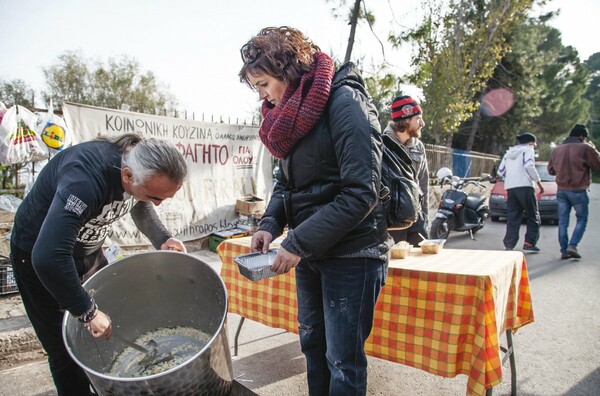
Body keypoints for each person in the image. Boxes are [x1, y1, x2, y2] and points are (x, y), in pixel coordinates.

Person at [239, 26, 390, 395]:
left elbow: (361, 192)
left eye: (263, 85)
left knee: (343, 359)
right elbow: (288, 184)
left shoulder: (345, 102)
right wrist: (270, 225)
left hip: (353, 252)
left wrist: (299, 241)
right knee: (312, 345)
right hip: (311, 252)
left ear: (287, 72)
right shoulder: (293, 115)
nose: (262, 97)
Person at [9, 133, 188, 395]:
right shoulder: (84, 180)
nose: (158, 203)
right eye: (157, 197)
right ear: (127, 175)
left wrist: (162, 237)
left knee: (111, 324)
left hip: (87, 251)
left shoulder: (135, 170)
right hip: (40, 257)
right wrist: (87, 311)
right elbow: (48, 256)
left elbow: (140, 199)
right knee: (64, 348)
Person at [547, 124, 600, 259]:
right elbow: (597, 164)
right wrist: (594, 149)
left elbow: (550, 170)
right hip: (578, 190)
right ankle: (573, 245)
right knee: (582, 218)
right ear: (582, 136)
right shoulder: (585, 148)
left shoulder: (557, 149)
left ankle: (564, 250)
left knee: (563, 221)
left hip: (562, 190)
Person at [383, 95, 429, 245]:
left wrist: (425, 217)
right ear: (405, 119)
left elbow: (424, 184)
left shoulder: (419, 147)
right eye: (418, 118)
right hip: (392, 221)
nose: (422, 123)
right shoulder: (382, 145)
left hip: (417, 217)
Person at [497, 132, 544, 251]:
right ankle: (529, 242)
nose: (534, 146)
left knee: (513, 216)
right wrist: (538, 183)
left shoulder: (508, 153)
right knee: (533, 215)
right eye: (534, 144)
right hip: (525, 186)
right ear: (530, 142)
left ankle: (509, 244)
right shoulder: (528, 150)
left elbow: (501, 171)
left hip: (511, 187)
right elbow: (529, 166)